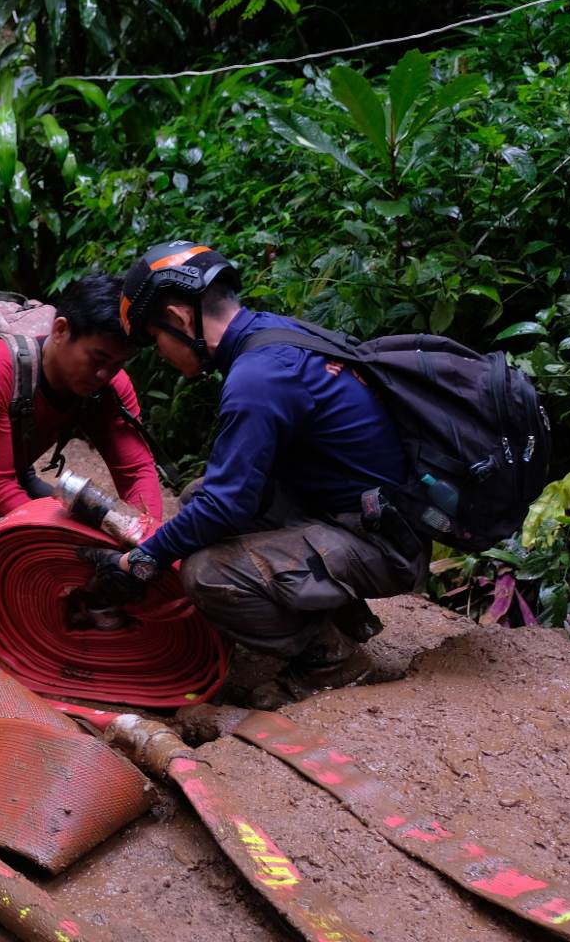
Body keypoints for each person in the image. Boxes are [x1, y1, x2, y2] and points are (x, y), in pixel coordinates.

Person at [95, 241, 422, 706]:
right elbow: (225, 495)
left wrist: (140, 561)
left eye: (155, 337)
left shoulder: (259, 377)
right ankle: (343, 620)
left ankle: (331, 660)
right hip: (372, 514)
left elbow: (227, 506)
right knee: (197, 496)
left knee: (207, 573)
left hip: (381, 544)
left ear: (180, 318)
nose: (160, 352)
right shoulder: (273, 338)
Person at [0, 274, 163, 573]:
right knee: (16, 562)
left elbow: (136, 469)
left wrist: (144, 537)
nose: (104, 374)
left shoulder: (110, 385)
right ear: (60, 330)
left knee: (97, 542)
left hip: (10, 475)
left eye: (117, 364)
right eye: (98, 358)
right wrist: (74, 548)